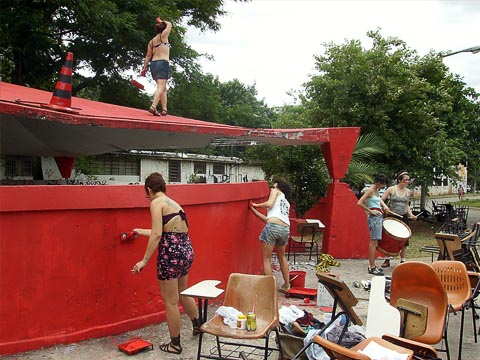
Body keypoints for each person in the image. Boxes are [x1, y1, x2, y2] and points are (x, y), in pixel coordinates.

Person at [131, 172, 200, 355]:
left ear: (148, 189)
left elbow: (157, 235)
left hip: (170, 254)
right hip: (185, 250)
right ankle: (198, 326)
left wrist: (144, 261)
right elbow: (164, 231)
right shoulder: (174, 204)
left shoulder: (155, 203)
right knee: (183, 292)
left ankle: (175, 344)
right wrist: (140, 231)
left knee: (170, 301)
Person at [250, 178, 293, 292]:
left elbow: (269, 204)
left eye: (273, 186)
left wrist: (255, 204)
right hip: (285, 229)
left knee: (267, 259)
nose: (271, 189)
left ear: (279, 188)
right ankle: (287, 285)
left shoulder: (276, 192)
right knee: (282, 257)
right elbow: (269, 219)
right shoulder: (286, 203)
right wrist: (254, 211)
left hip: (273, 228)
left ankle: (270, 289)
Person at [381, 170, 417, 267]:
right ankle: (387, 259)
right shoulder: (391, 189)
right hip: (392, 216)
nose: (407, 182)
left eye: (408, 180)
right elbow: (381, 200)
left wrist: (411, 215)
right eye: (405, 180)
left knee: (405, 238)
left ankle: (403, 260)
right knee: (390, 238)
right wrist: (385, 207)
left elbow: (407, 205)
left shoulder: (408, 192)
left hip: (403, 216)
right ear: (399, 180)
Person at [357, 174, 389, 275]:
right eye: (382, 184)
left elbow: (378, 201)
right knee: (373, 242)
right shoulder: (370, 191)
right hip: (374, 217)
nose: (383, 186)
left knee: (375, 242)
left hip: (378, 216)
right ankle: (371, 266)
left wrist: (384, 207)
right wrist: (370, 211)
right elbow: (360, 203)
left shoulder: (376, 191)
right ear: (378, 183)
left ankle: (373, 265)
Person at [141, 17, 172, 116]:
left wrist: (144, 68)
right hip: (163, 62)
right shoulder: (164, 36)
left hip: (153, 64)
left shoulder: (151, 42)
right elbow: (170, 24)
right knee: (161, 86)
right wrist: (160, 21)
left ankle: (164, 109)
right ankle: (153, 106)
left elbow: (148, 56)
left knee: (163, 88)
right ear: (163, 29)